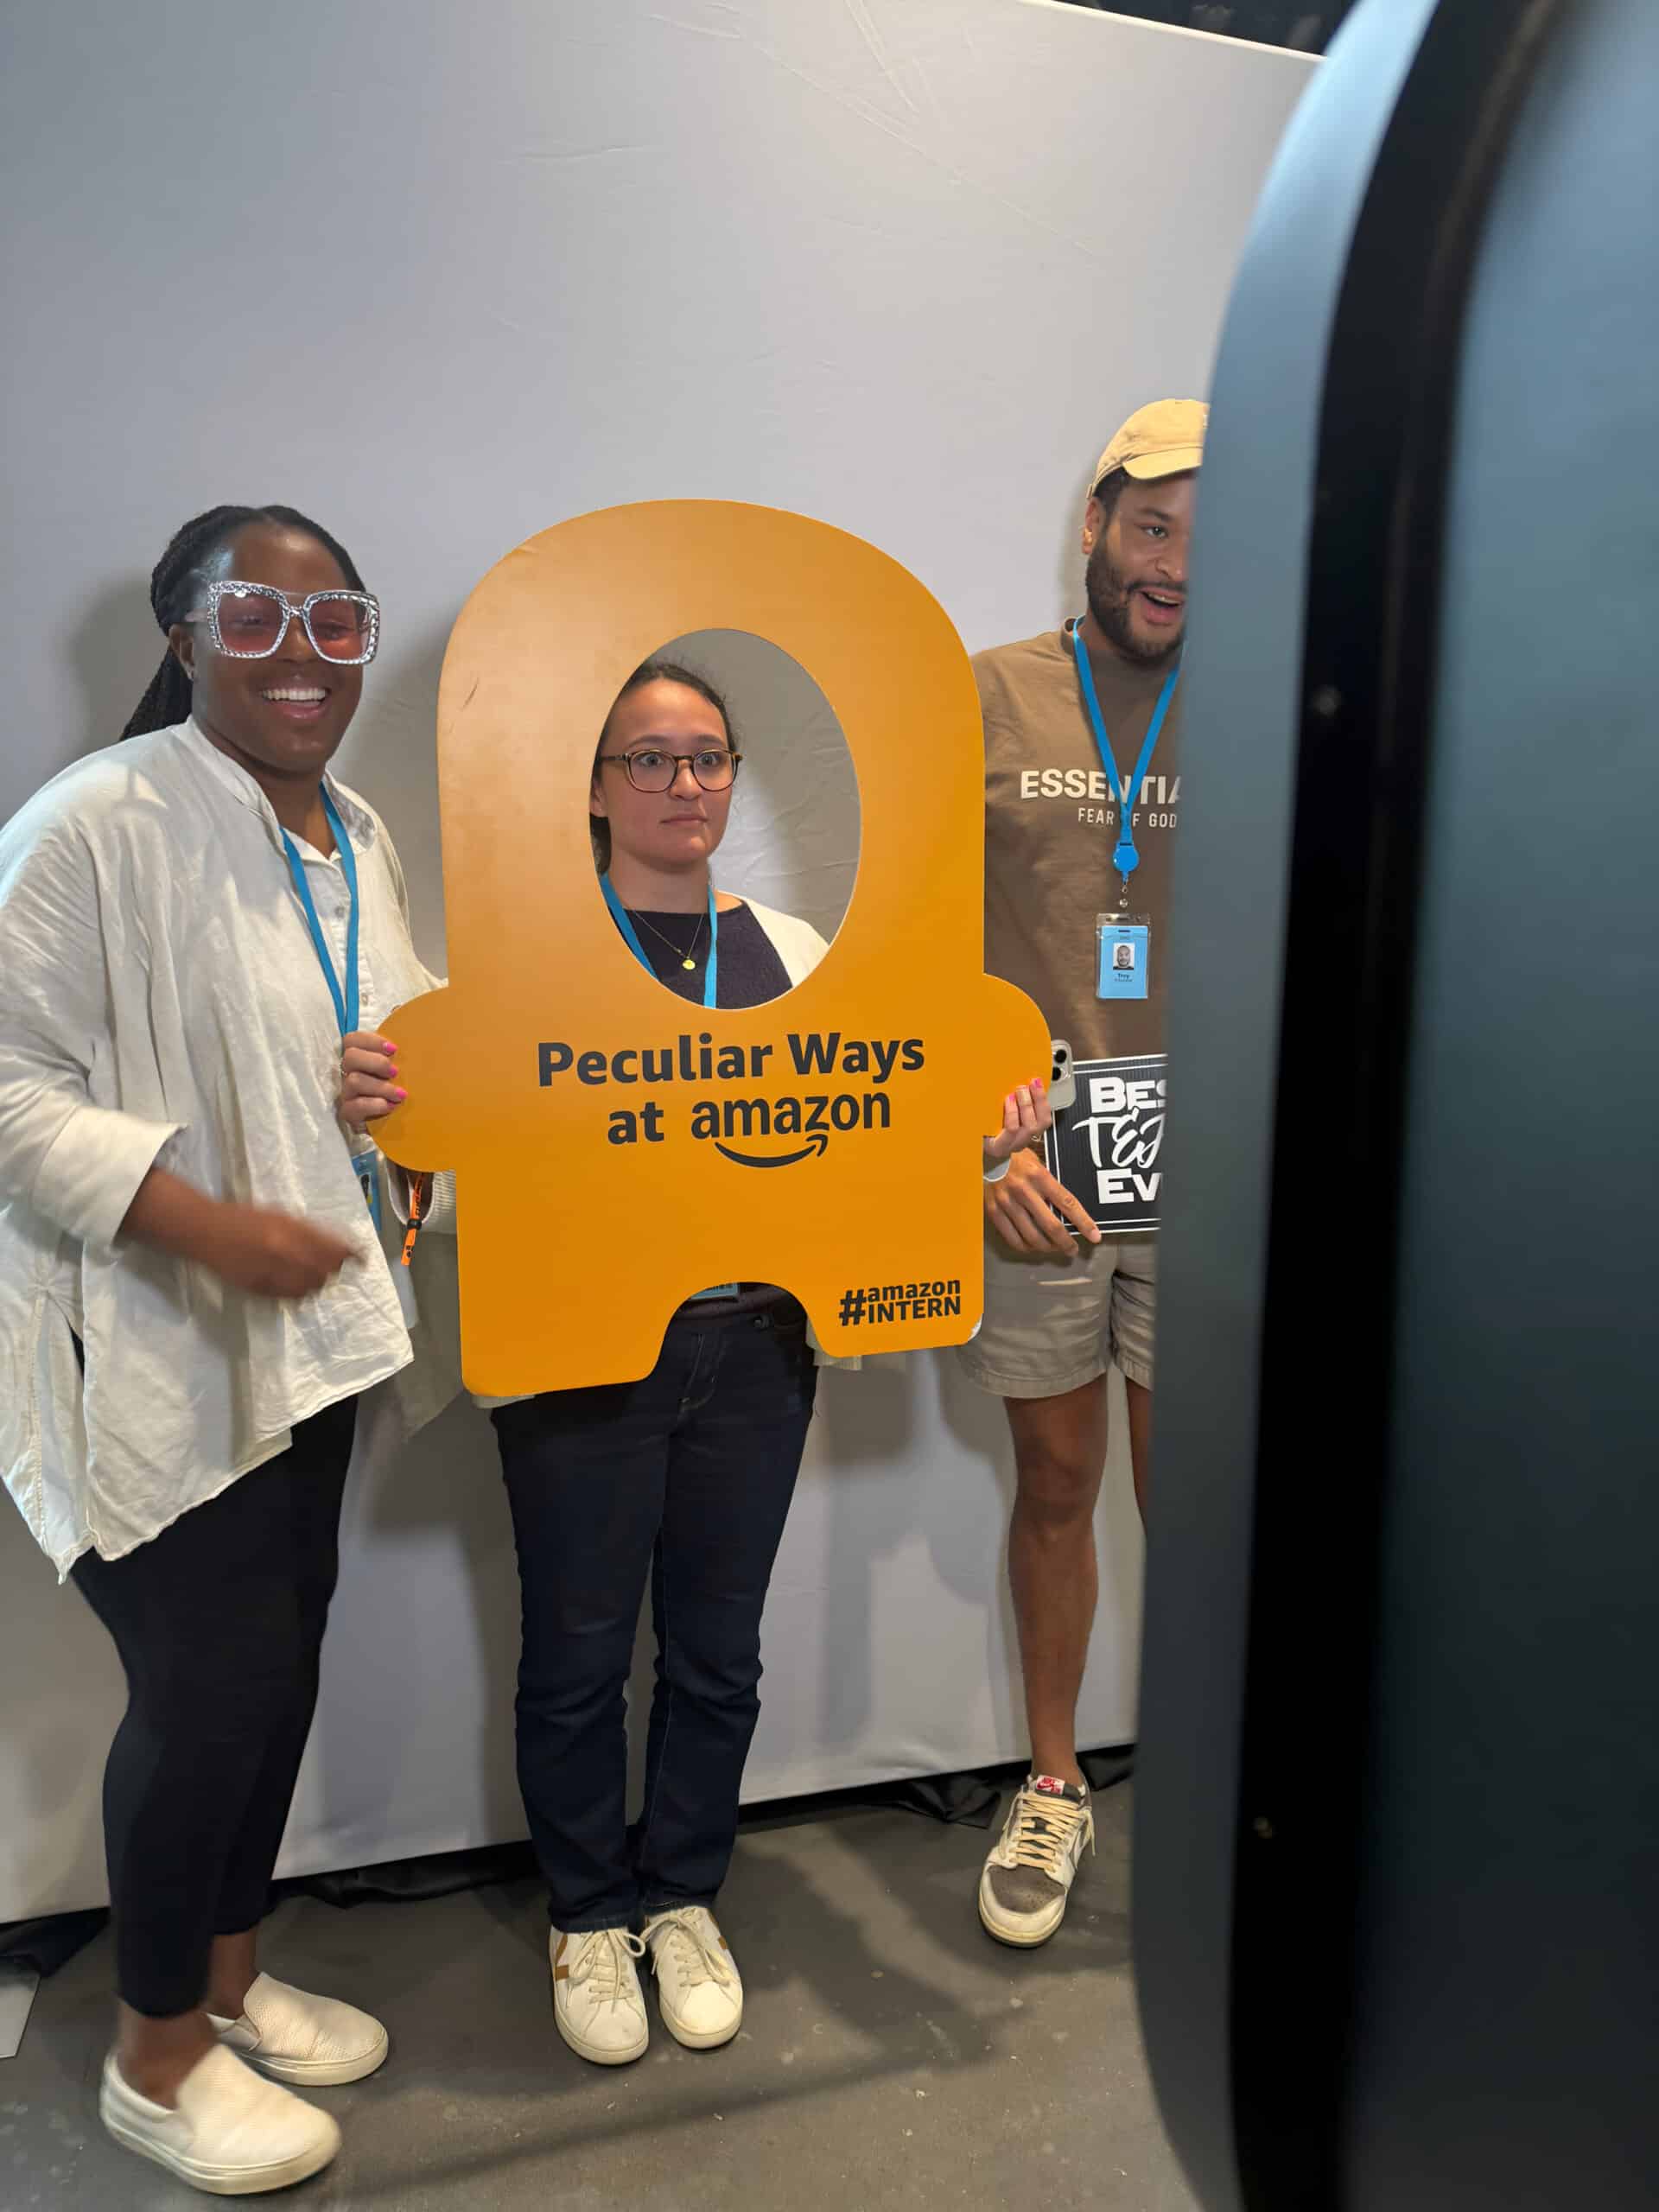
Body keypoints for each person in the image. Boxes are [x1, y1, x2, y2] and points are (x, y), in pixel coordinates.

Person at [342, 659, 1048, 2066]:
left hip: (752, 1345)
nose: (684, 787)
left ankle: (682, 1895)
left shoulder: (784, 946)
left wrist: (973, 1145)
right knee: (577, 1661)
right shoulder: (524, 954)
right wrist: (387, 1116)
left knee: (721, 1652)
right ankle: (588, 1913)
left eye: (707, 759)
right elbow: (465, 1164)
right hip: (580, 1352)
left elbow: (860, 1125)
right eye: (650, 760)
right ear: (594, 787)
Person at [0, 505, 442, 2194]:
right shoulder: (98, 822)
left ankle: (235, 1975)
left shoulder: (352, 832)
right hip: (157, 1335)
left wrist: (387, 1086)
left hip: (314, 1334)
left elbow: (382, 1018)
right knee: (202, 1696)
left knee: (280, 1662)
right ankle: (157, 2053)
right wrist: (204, 1219)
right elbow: (8, 1087)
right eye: (259, 616)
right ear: (185, 635)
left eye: (338, 624)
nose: (305, 655)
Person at [960, 400, 1205, 1948]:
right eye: (1155, 527)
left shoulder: (1274, 704)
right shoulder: (991, 695)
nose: (1177, 566)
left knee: (1204, 1501)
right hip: (1034, 1152)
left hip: (1214, 1147)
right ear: (1099, 526)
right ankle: (1055, 1780)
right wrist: (965, 1141)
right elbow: (915, 943)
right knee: (1057, 1483)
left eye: (1209, 543)